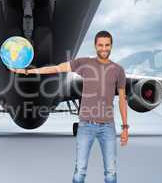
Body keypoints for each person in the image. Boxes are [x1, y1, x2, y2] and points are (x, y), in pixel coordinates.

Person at [9, 30, 129, 183]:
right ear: (95, 46)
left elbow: (122, 100)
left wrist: (125, 127)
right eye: (100, 45)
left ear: (111, 46)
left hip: (108, 127)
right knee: (80, 171)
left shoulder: (119, 70)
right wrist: (27, 72)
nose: (104, 48)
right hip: (86, 125)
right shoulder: (85, 63)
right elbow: (56, 68)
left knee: (111, 172)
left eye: (107, 45)